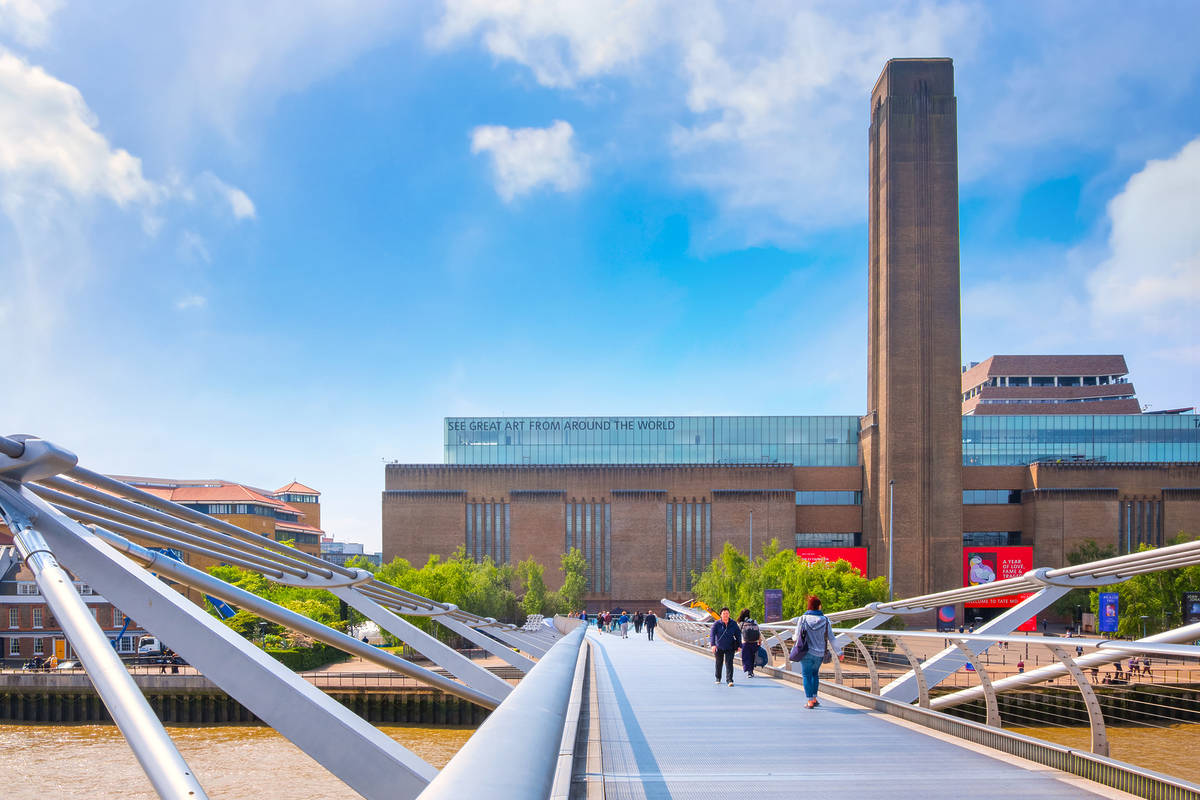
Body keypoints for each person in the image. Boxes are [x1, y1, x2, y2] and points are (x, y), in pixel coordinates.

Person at [793, 595, 840, 708]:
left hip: (806, 652)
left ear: (809, 607)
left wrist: (793, 637)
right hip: (819, 653)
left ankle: (809, 701)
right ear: (819, 606)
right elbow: (831, 637)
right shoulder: (826, 620)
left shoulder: (802, 619)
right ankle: (814, 698)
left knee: (806, 675)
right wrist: (839, 652)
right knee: (815, 674)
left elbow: (796, 637)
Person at [710, 607, 741, 686]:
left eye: (727, 613)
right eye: (724, 614)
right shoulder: (716, 624)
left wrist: (739, 645)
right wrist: (713, 645)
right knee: (718, 663)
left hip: (730, 647)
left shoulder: (733, 624)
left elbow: (738, 635)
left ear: (729, 614)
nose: (725, 615)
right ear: (720, 615)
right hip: (719, 647)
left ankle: (729, 680)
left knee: (729, 663)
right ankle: (718, 678)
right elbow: (712, 635)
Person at [737, 608, 761, 678]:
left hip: (745, 642)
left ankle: (749, 672)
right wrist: (760, 640)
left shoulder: (741, 623)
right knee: (752, 657)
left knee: (746, 657)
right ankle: (751, 671)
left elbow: (738, 634)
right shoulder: (754, 621)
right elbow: (758, 631)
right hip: (754, 642)